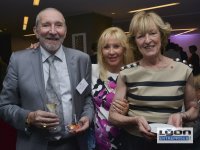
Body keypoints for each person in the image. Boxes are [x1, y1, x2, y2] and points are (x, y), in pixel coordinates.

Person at [0, 7, 94, 150]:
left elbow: (87, 97)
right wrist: (29, 117)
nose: (53, 31)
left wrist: (87, 116)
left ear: (65, 31)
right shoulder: (18, 61)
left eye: (58, 25)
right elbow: (4, 106)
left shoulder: (82, 59)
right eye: (46, 25)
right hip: (33, 144)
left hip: (73, 143)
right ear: (36, 31)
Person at [108, 11, 199, 150]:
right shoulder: (126, 73)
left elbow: (194, 108)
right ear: (135, 41)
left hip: (171, 138)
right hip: (135, 141)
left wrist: (182, 115)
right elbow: (113, 117)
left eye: (152, 33)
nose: (147, 40)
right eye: (140, 36)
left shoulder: (184, 70)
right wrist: (134, 120)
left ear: (161, 35)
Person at [91, 27, 133, 150]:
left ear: (124, 49)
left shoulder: (132, 74)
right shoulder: (91, 70)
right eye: (106, 47)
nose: (111, 52)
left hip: (127, 141)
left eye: (116, 46)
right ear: (100, 51)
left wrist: (128, 112)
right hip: (96, 144)